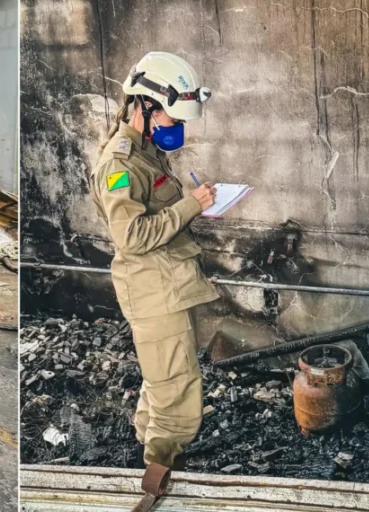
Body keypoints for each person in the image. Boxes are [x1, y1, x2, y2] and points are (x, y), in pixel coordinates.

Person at [89, 52, 219, 484]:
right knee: (178, 386)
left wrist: (190, 201)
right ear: (145, 105)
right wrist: (190, 205)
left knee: (162, 374)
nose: (176, 127)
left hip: (165, 281)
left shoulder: (143, 150)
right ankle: (160, 468)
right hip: (152, 288)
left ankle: (147, 439)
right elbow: (133, 236)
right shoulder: (119, 163)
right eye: (171, 116)